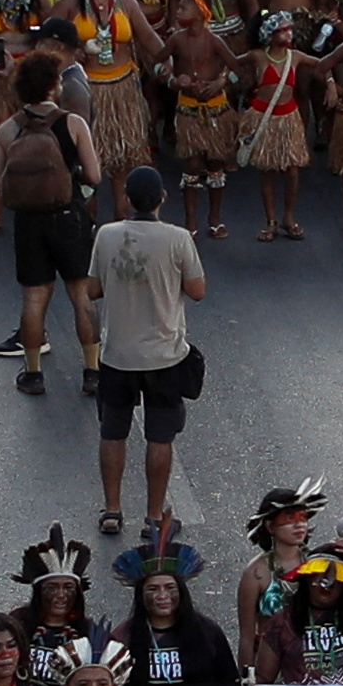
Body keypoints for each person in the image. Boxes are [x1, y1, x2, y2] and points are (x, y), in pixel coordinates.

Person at [89, 165, 204, 539]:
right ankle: (154, 516)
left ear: (126, 200)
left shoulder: (106, 235)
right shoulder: (178, 239)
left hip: (116, 354)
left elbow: (92, 289)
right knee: (160, 437)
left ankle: (112, 510)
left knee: (113, 432)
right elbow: (198, 290)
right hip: (164, 355)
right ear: (162, 199)